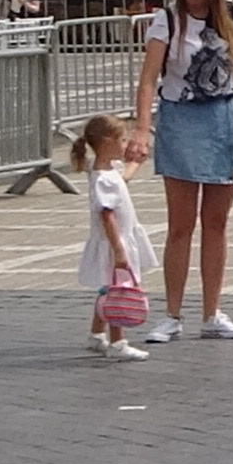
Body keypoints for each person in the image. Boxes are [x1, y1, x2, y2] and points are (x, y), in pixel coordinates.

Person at [129, 0, 233, 342]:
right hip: (182, 118)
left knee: (217, 223)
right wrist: (141, 127)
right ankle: (171, 313)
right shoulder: (166, 21)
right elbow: (149, 79)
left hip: (224, 117)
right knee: (181, 225)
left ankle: (212, 312)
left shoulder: (228, 16)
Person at [73, 114, 153, 362]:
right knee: (120, 290)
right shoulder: (102, 179)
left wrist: (136, 163)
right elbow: (107, 216)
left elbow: (124, 176)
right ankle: (118, 341)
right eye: (122, 139)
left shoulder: (106, 171)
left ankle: (97, 334)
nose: (124, 144)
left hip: (117, 240)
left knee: (107, 288)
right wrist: (119, 249)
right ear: (107, 142)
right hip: (115, 242)